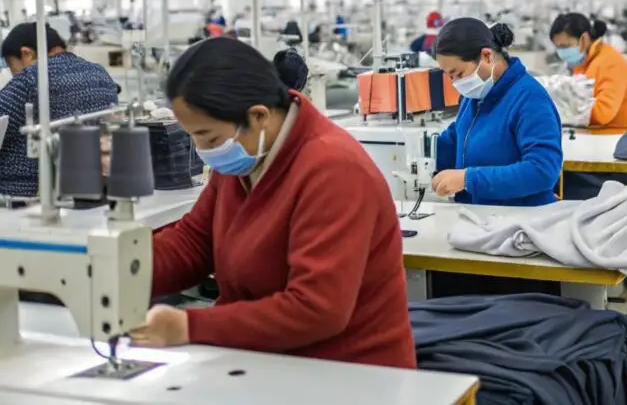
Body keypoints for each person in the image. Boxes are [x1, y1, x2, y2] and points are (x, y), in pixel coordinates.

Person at [130, 38, 415, 368]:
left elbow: (317, 309)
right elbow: (194, 243)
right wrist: (120, 268)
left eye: (209, 138)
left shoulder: (333, 170)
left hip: (346, 375)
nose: (202, 150)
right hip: (265, 361)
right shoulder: (246, 159)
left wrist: (189, 326)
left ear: (259, 116)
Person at [431, 18, 562, 206]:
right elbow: (456, 140)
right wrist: (413, 150)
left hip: (521, 219)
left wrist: (468, 179)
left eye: (458, 74)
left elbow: (542, 170)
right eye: (450, 77)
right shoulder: (475, 95)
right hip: (483, 215)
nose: (455, 83)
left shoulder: (529, 99)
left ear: (486, 56)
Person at [0, 23, 119, 198]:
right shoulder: (100, 73)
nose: (15, 75)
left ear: (26, 53)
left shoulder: (30, 79)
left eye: (13, 68)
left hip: (27, 194)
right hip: (93, 186)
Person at [549, 13, 627, 130]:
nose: (562, 52)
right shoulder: (582, 63)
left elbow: (603, 113)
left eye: (565, 46)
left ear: (584, 39)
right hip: (605, 136)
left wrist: (566, 107)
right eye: (558, 48)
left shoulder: (610, 62)